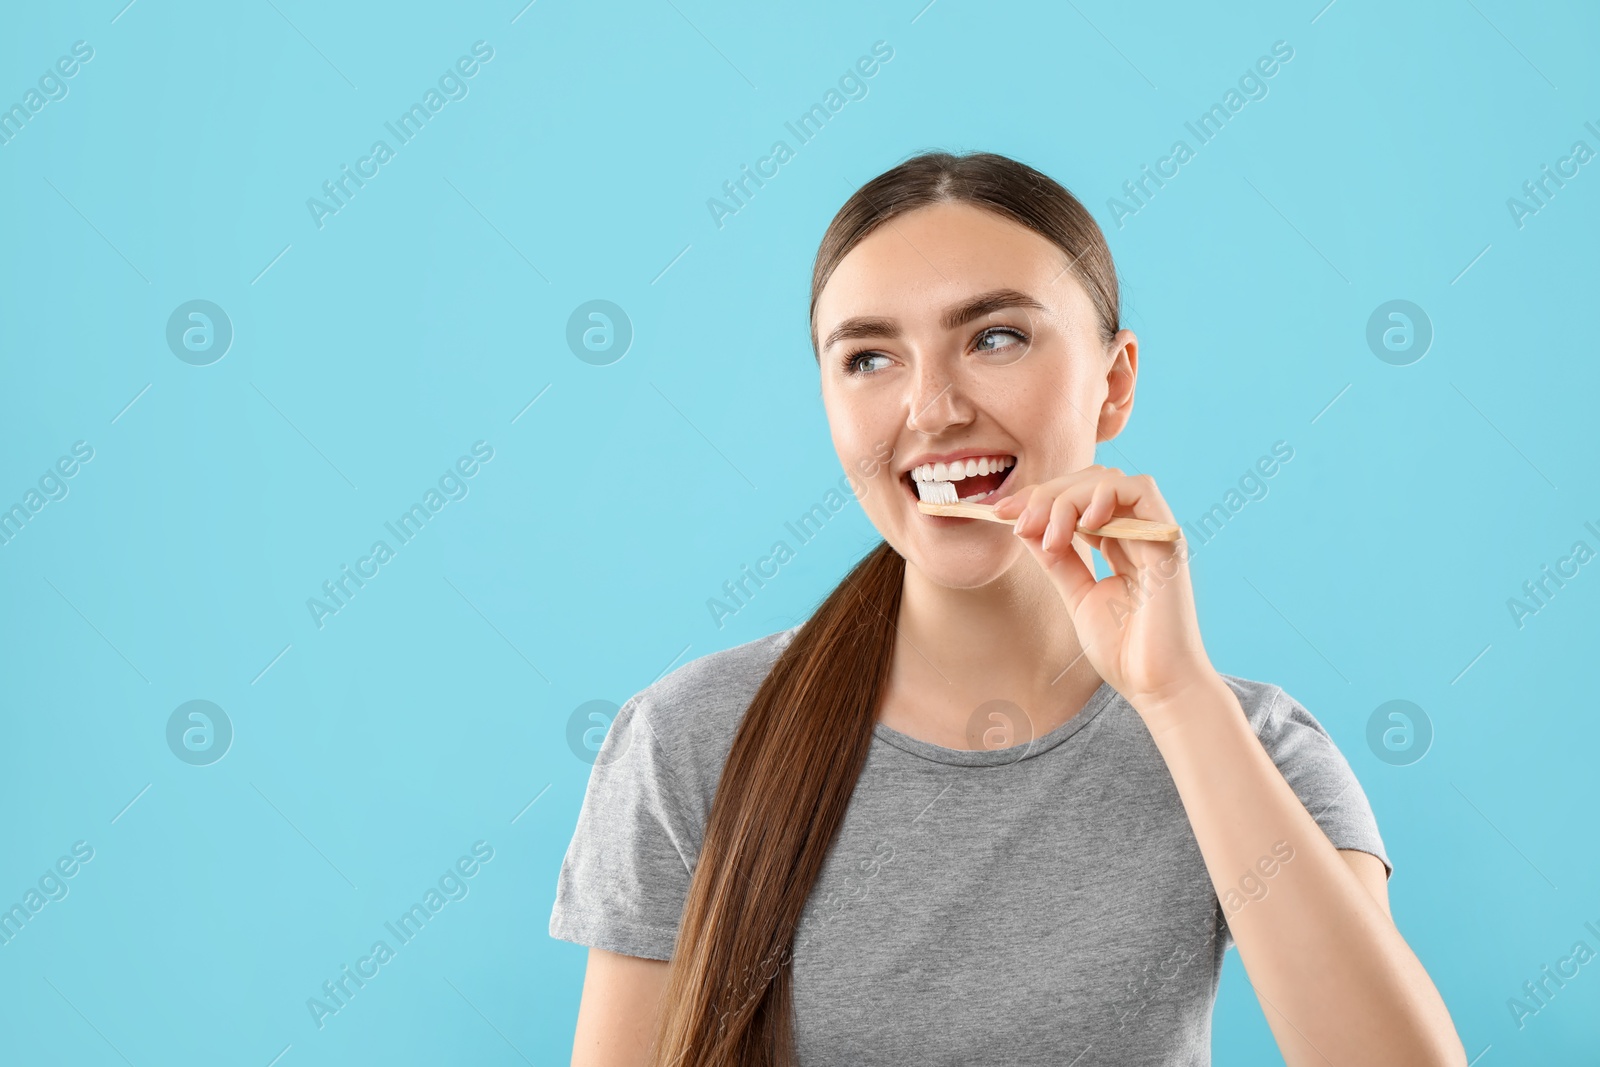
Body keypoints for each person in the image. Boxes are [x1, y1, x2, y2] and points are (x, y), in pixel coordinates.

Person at [549, 150, 1465, 1066]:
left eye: (995, 337)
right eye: (869, 358)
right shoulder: (689, 739)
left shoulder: (1253, 746)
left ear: (1114, 382)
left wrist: (1178, 696)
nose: (934, 408)